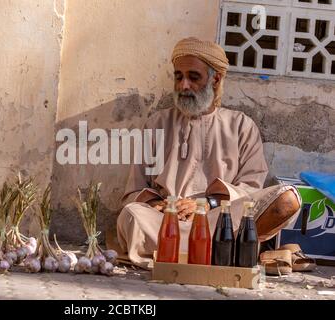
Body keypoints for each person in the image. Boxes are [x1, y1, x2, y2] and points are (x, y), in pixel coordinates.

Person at [116, 37, 301, 269]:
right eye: (178, 76)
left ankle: (182, 252)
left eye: (193, 77)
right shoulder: (157, 123)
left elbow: (250, 190)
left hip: (219, 219)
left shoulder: (241, 125)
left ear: (216, 79)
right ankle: (221, 253)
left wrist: (207, 204)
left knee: (287, 199)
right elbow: (135, 189)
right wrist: (165, 207)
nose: (183, 85)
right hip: (167, 222)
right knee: (132, 215)